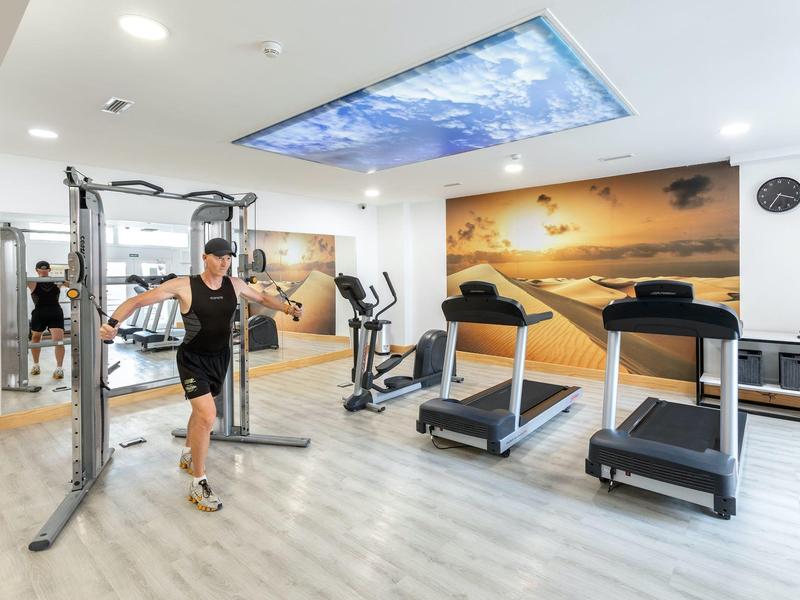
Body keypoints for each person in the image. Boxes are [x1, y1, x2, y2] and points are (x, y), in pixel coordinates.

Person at [99, 238, 303, 512]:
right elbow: (137, 301)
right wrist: (112, 324)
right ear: (204, 257)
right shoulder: (183, 285)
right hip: (192, 360)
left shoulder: (235, 284)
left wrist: (289, 308)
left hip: (220, 357)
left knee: (201, 410)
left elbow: (264, 298)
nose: (224, 262)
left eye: (228, 257)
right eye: (218, 257)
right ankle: (199, 481)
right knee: (207, 415)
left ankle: (187, 452)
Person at [27, 260, 66, 379]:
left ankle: (59, 369)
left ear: (49, 270)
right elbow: (15, 284)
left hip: (55, 312)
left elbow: (74, 284)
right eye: (41, 269)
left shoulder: (57, 281)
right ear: (37, 270)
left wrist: (68, 280)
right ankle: (36, 365)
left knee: (58, 339)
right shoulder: (32, 282)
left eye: (46, 269)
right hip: (39, 312)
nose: (43, 270)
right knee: (35, 338)